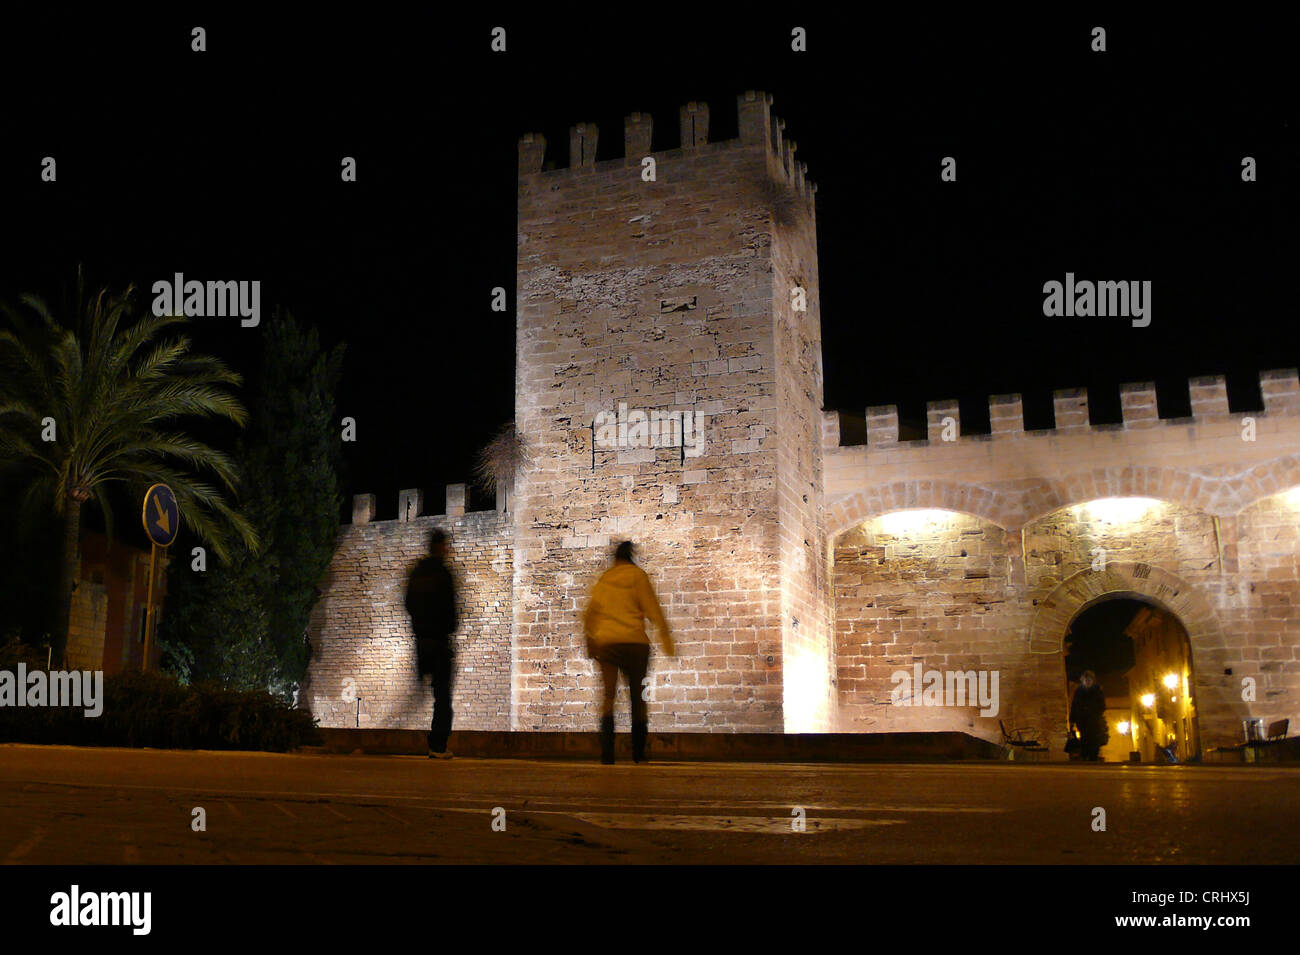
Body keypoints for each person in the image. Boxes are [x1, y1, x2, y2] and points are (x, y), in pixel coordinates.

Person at [583, 540, 674, 764]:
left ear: (615, 557)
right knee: (638, 699)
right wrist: (666, 640)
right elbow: (653, 610)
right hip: (635, 644)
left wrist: (590, 642)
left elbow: (591, 613)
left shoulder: (605, 579)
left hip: (608, 644)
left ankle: (607, 754)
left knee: (608, 697)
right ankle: (639, 753)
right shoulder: (638, 577)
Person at [405, 529, 458, 759]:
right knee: (443, 696)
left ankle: (434, 744)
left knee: (434, 691)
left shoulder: (417, 572)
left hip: (421, 640)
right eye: (445, 545)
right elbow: (450, 608)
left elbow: (408, 602)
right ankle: (437, 746)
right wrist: (450, 627)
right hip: (438, 640)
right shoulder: (442, 573)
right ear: (440, 547)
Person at [1069, 670, 1109, 761]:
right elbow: (1074, 705)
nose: (1087, 681)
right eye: (1085, 680)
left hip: (1093, 719)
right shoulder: (1079, 691)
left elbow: (1101, 705)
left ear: (1092, 680)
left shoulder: (1097, 690)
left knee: (1094, 737)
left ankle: (1093, 755)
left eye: (1089, 680)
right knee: (1084, 736)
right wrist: (1073, 719)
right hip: (1082, 719)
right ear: (1082, 680)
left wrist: (1095, 712)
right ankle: (1085, 754)